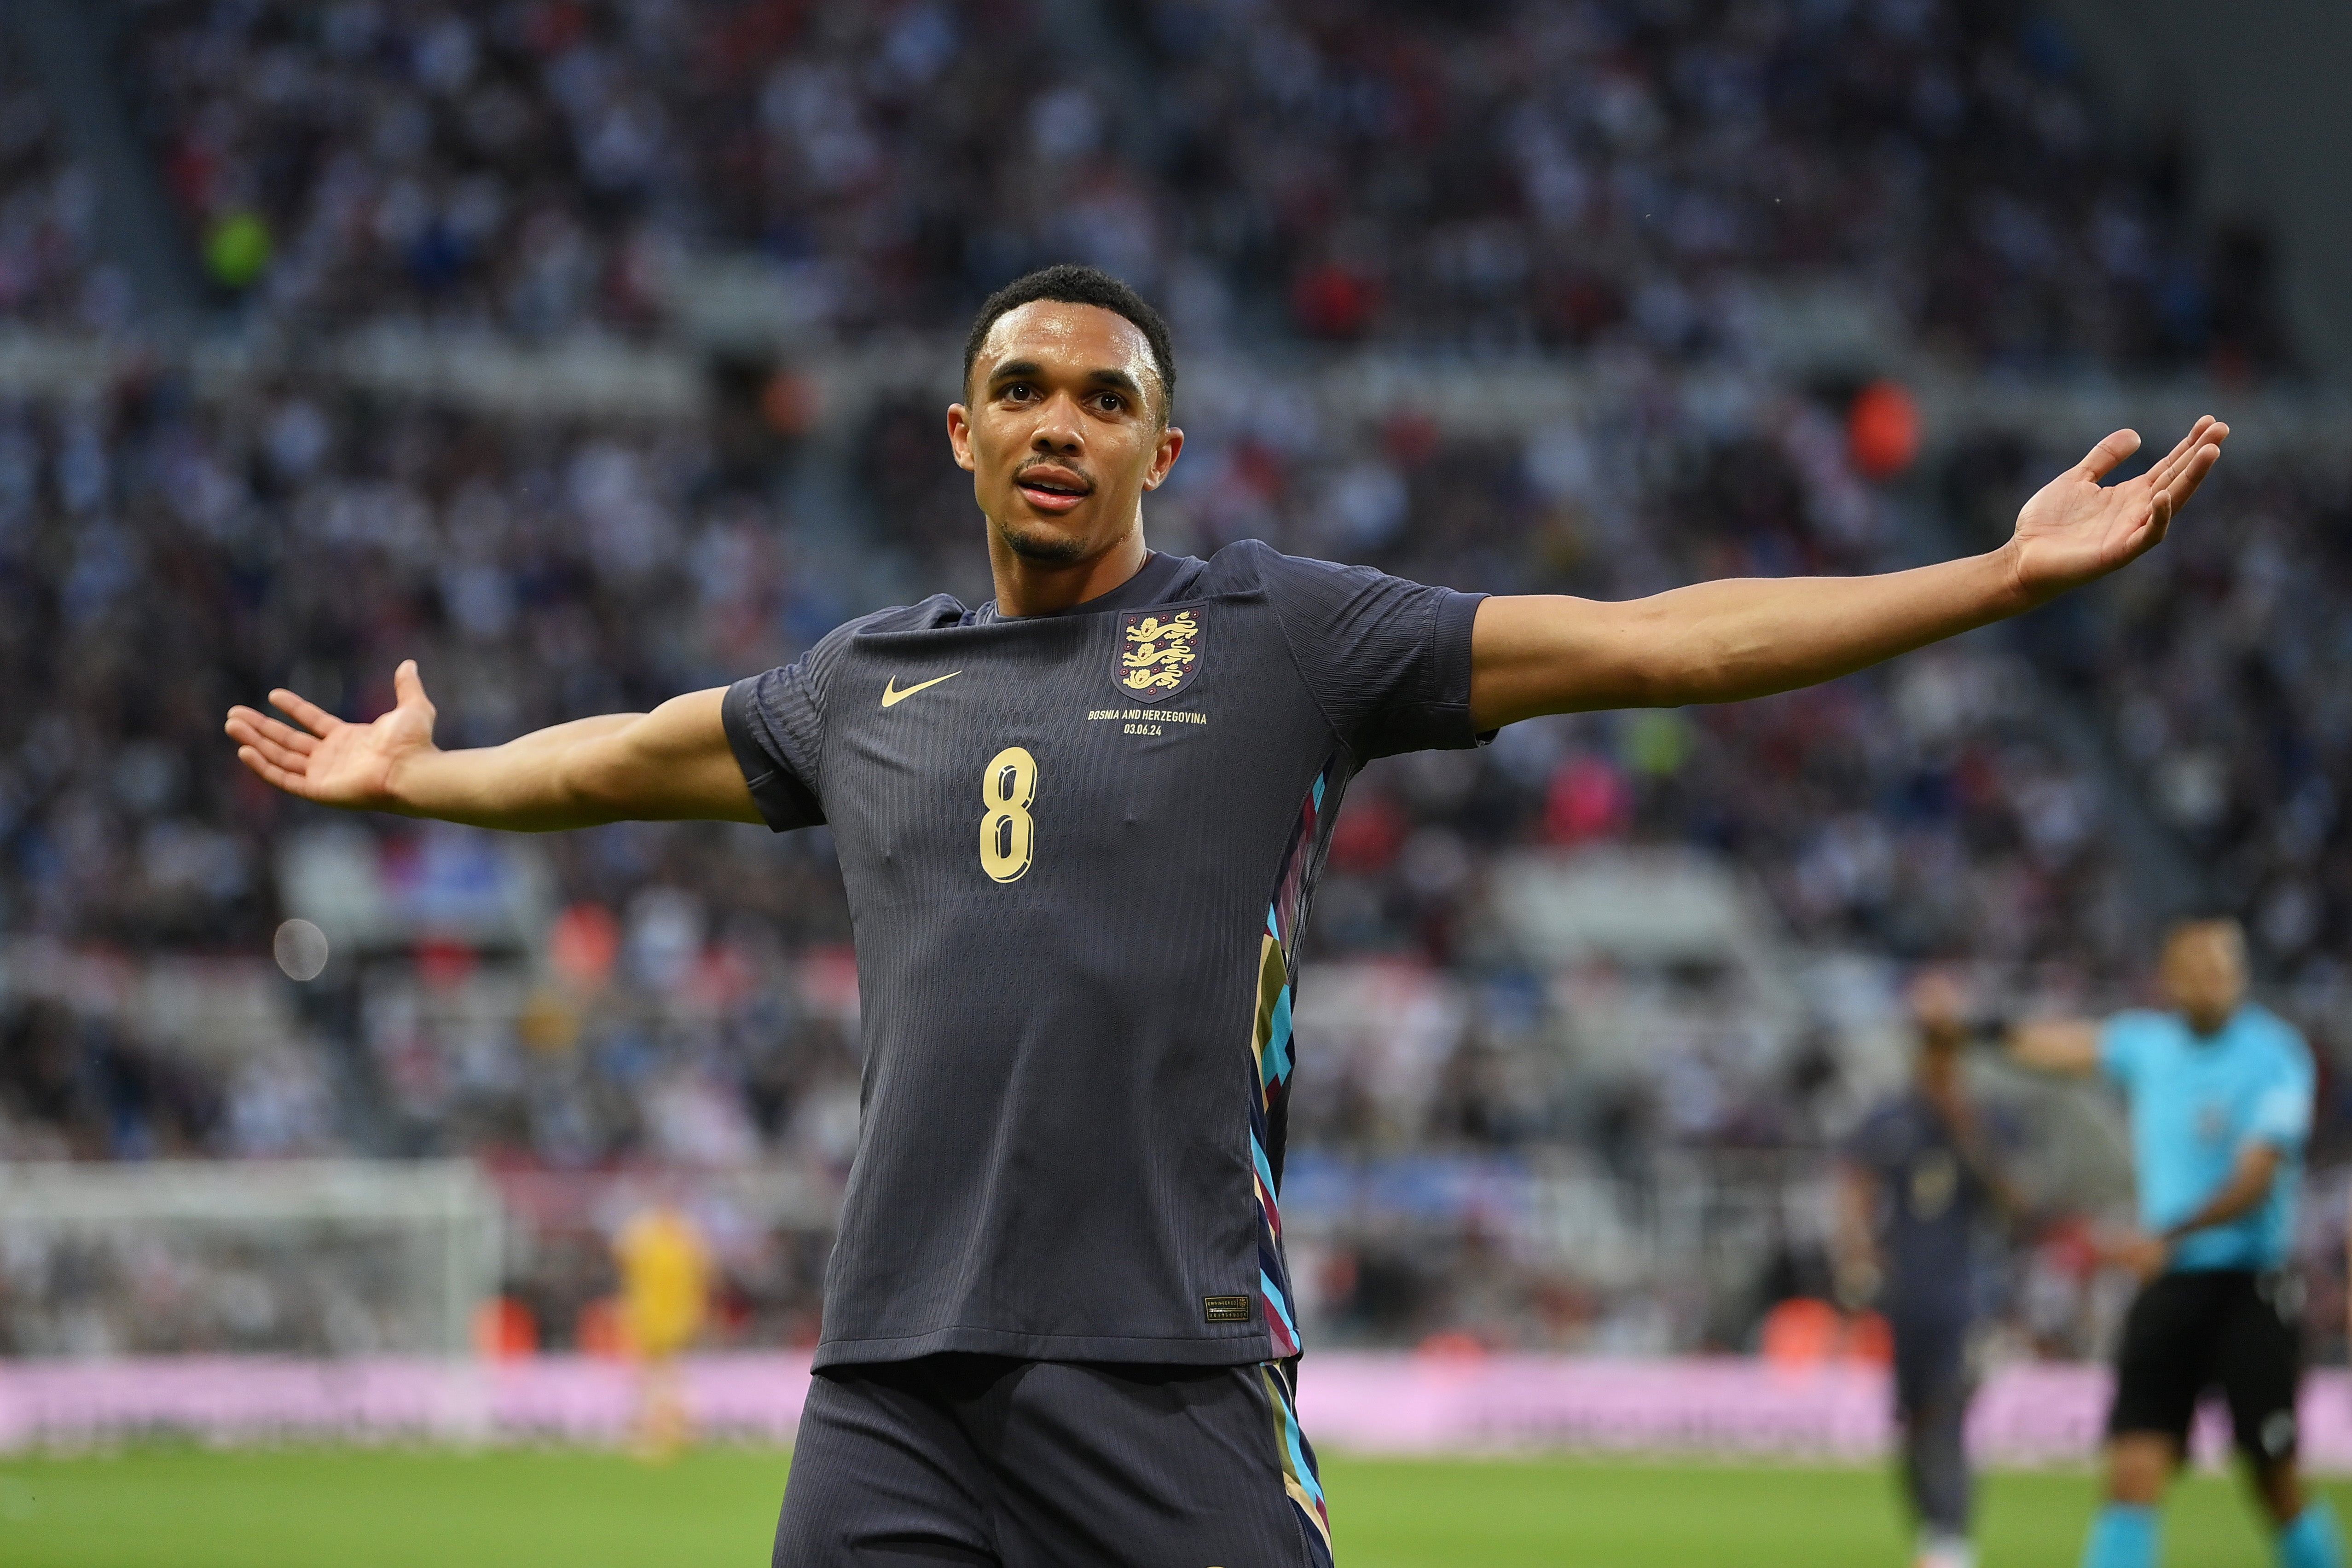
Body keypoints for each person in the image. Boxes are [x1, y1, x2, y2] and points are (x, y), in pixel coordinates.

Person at [225, 263, 2228, 1568]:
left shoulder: (1278, 635)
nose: (1059, 422)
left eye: (1103, 399)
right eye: (1020, 389)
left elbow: (1658, 644)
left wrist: (1989, 579)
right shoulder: (862, 684)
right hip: (895, 1385)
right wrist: (426, 774)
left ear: (1158, 452)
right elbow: (613, 761)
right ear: (960, 434)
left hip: (1169, 1370)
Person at [2008, 919, 2337, 1568]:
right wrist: (1967, 1031)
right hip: (2169, 1284)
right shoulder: (2149, 1044)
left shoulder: (2275, 1053)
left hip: (2249, 1284)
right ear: (2169, 976)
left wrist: (2165, 1234)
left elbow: (2255, 1179)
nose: (2211, 977)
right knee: (2131, 1469)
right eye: (2196, 965)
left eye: (2222, 963)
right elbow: (2062, 1047)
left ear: (2239, 972)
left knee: (2273, 1481)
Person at [1837, 970, 2025, 1568]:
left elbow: (2015, 1202)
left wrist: (1965, 1128)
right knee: (1910, 1419)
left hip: (1963, 1292)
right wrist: (1858, 1251)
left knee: (1946, 1409)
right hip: (1903, 1295)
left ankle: (1950, 1539)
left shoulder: (1985, 1119)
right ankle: (1932, 1535)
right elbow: (1855, 1185)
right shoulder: (1889, 1116)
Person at [614, 1202, 714, 1459]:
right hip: (654, 1318)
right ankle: (667, 1431)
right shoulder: (663, 1242)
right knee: (660, 1377)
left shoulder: (671, 1243)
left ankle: (665, 1433)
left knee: (662, 1377)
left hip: (668, 1318)